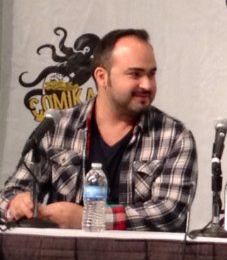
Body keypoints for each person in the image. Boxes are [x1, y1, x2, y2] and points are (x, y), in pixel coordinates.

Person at [0, 29, 197, 231]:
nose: (147, 84)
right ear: (102, 77)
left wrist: (90, 218)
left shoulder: (175, 137)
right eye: (135, 74)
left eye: (151, 74)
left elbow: (169, 212)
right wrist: (16, 204)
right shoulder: (57, 127)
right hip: (63, 258)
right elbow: (10, 193)